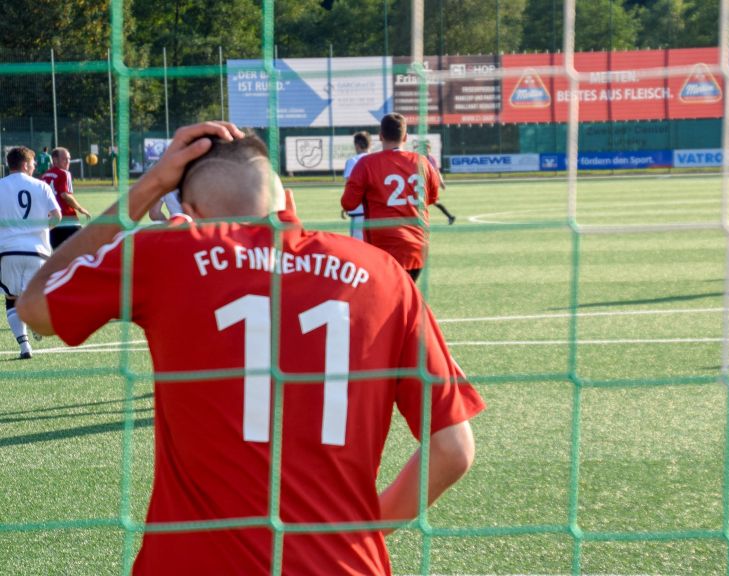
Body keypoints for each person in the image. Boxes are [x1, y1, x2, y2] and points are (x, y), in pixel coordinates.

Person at [17, 121, 484, 574]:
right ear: (286, 198)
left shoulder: (169, 252)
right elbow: (453, 448)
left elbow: (35, 305)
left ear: (191, 211)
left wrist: (150, 186)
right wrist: (360, 533)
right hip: (341, 562)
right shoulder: (383, 275)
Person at [342, 113, 444, 282]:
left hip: (382, 248)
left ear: (380, 136)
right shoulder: (423, 162)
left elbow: (348, 203)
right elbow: (432, 198)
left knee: (384, 296)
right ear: (405, 137)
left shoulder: (366, 163)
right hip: (416, 246)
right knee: (406, 294)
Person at [0, 147, 61, 359]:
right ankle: (36, 321)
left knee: (12, 298)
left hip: (8, 251)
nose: (35, 167)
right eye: (33, 163)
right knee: (33, 295)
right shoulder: (41, 186)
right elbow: (56, 216)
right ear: (25, 165)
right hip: (38, 251)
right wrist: (42, 228)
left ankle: (24, 346)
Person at [40, 147, 91, 248]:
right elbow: (65, 195)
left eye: (69, 158)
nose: (68, 161)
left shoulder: (44, 176)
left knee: (57, 253)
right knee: (83, 248)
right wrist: (80, 208)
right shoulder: (64, 173)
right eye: (64, 159)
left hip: (52, 221)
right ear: (55, 160)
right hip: (68, 219)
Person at [342, 131, 372, 240]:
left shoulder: (352, 161)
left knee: (358, 246)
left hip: (358, 212)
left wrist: (345, 206)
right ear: (370, 144)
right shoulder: (376, 160)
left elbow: (349, 185)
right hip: (375, 213)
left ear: (356, 145)